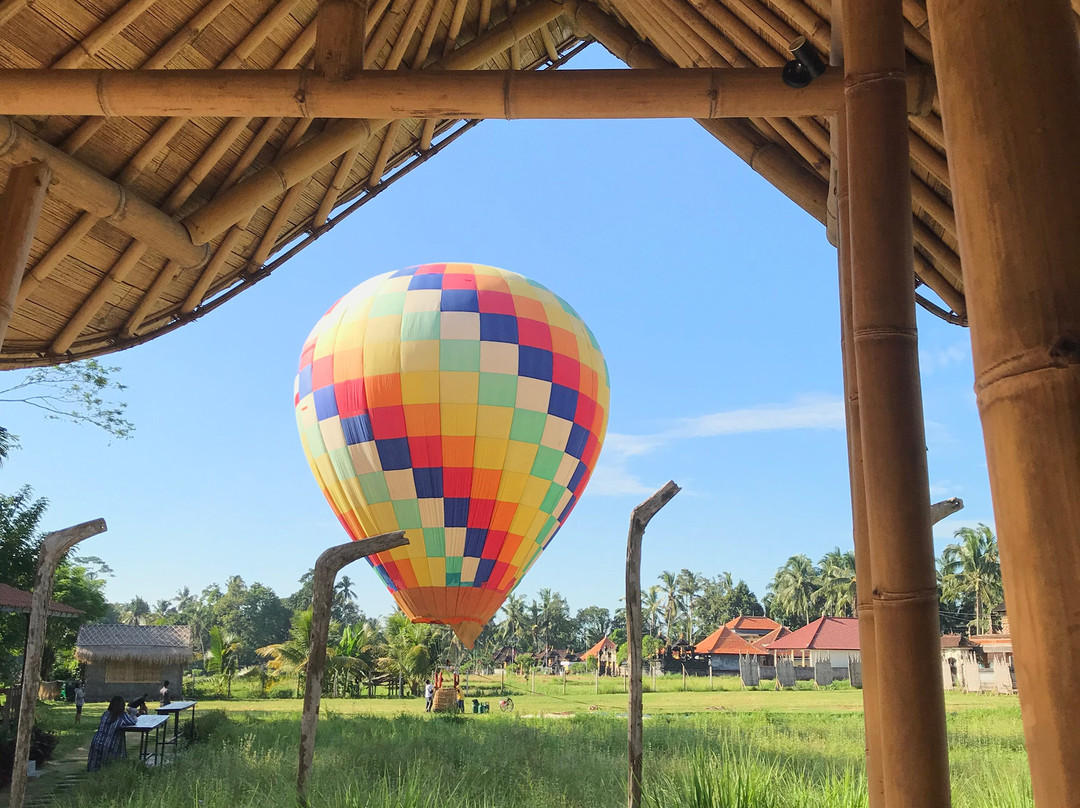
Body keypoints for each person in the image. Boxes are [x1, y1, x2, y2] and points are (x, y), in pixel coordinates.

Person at [87, 696, 136, 772]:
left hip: (96, 742)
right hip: (110, 745)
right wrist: (132, 713)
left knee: (95, 768)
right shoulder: (122, 716)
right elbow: (133, 722)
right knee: (108, 767)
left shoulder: (106, 714)